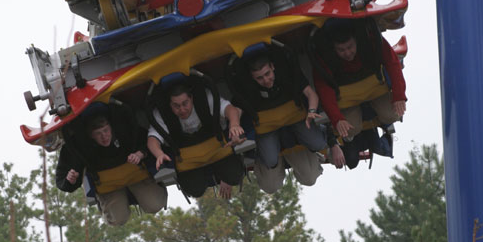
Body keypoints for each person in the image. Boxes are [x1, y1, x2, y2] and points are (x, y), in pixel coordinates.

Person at [232, 47, 329, 192]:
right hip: (268, 128)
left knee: (318, 143)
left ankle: (310, 153)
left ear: (272, 67)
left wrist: (312, 111)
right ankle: (266, 156)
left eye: (267, 74)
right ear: (252, 78)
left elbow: (310, 94)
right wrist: (234, 125)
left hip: (295, 120)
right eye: (260, 78)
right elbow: (236, 110)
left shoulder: (287, 74)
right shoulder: (248, 87)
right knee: (270, 161)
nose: (266, 80)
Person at [312, 18, 406, 166]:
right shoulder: (326, 57)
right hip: (349, 99)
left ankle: (384, 126)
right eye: (341, 50)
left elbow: (392, 63)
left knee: (392, 114)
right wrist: (337, 118)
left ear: (356, 41)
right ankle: (350, 140)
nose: (347, 53)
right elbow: (324, 89)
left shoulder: (371, 42)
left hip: (374, 91)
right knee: (349, 129)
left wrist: (399, 95)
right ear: (334, 49)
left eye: (350, 47)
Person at [56, 114, 167, 226]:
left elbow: (149, 139)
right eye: (98, 133)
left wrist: (141, 153)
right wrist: (70, 180)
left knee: (155, 205)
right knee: (118, 219)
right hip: (108, 186)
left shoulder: (125, 130)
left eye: (106, 130)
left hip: (136, 177)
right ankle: (105, 204)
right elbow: (62, 179)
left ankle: (156, 189)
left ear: (111, 127)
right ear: (90, 136)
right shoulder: (80, 146)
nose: (104, 136)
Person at [147, 82, 246, 199]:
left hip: (216, 148)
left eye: (185, 103)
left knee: (235, 176)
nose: (182, 110)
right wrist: (159, 154)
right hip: (189, 158)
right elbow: (152, 139)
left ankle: (219, 172)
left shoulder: (205, 97)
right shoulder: (161, 113)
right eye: (176, 106)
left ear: (191, 98)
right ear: (170, 104)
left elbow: (230, 110)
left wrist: (234, 125)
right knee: (195, 190)